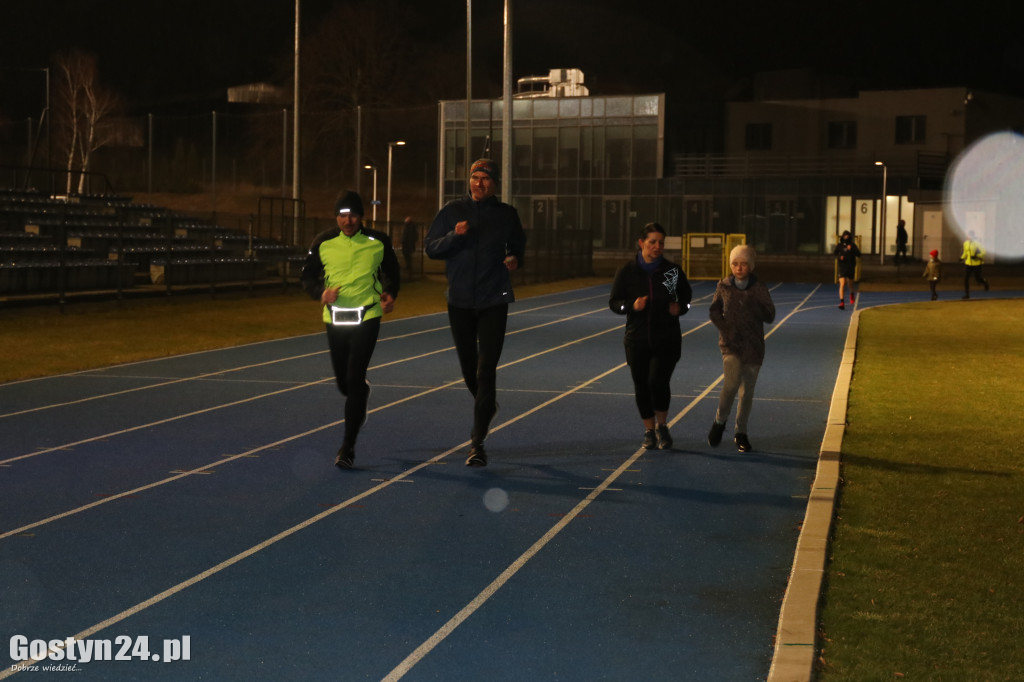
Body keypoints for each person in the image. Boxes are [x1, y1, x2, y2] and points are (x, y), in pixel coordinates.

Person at [425, 158, 527, 467]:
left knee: (486, 371)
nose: (479, 183)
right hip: (459, 302)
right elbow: (431, 248)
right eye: (474, 177)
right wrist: (455, 235)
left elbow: (518, 247)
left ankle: (477, 442)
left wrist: (514, 259)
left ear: (495, 184)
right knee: (470, 371)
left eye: (485, 178)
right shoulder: (452, 211)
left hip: (494, 300)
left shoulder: (507, 215)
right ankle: (487, 406)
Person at [300, 190, 400, 469]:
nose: (348, 220)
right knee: (345, 384)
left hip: (367, 314)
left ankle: (347, 447)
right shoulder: (323, 242)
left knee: (355, 377)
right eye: (343, 215)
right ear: (336, 217)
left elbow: (392, 271)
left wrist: (390, 292)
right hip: (335, 317)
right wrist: (321, 292)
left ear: (361, 216)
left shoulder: (377, 241)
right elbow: (307, 276)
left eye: (353, 215)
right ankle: (359, 393)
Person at [609, 223, 693, 451]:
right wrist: (631, 305)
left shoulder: (672, 271)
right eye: (652, 242)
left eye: (661, 243)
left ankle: (662, 426)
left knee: (657, 381)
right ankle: (648, 430)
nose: (657, 246)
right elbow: (614, 303)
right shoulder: (627, 271)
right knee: (641, 386)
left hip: (666, 338)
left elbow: (687, 297)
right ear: (641, 243)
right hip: (637, 340)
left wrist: (681, 308)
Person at [707, 245, 776, 453]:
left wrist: (756, 308)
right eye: (735, 264)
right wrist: (726, 329)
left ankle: (741, 432)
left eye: (743, 264)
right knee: (730, 384)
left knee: (747, 392)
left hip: (754, 346)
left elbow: (770, 315)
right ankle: (720, 421)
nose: (739, 268)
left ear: (751, 266)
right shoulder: (724, 285)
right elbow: (714, 310)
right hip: (731, 345)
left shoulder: (759, 288)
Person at [960, 230, 989, 299]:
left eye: (969, 235)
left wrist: (977, 256)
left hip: (977, 264)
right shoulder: (965, 243)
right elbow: (965, 252)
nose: (968, 237)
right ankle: (967, 294)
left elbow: (984, 252)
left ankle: (985, 282)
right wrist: (961, 258)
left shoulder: (977, 243)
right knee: (966, 279)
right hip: (968, 263)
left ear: (972, 236)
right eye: (967, 235)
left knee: (978, 279)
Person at [833, 230, 860, 309]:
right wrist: (839, 257)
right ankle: (842, 302)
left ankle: (851, 294)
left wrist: (852, 249)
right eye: (844, 236)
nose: (846, 238)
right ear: (842, 237)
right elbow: (835, 254)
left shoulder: (853, 245)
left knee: (850, 284)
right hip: (842, 266)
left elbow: (859, 254)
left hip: (851, 266)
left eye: (847, 236)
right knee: (842, 283)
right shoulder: (840, 245)